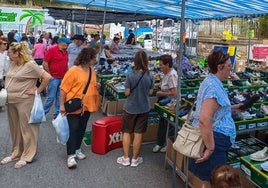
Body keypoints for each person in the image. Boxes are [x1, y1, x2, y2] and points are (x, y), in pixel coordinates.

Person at [188, 48, 243, 188]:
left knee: (209, 181)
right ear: (220, 67)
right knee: (215, 182)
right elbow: (204, 119)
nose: (231, 68)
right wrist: (211, 148)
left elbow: (213, 109)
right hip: (214, 141)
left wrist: (232, 107)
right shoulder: (213, 87)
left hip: (215, 138)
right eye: (229, 65)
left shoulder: (212, 81)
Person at [0, 42, 51, 169]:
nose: (8, 54)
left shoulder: (30, 64)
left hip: (25, 101)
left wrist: (37, 90)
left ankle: (27, 155)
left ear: (17, 53)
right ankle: (16, 153)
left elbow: (47, 77)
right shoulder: (13, 63)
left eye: (10, 52)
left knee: (27, 128)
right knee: (15, 128)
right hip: (11, 101)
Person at [60, 47, 100, 168]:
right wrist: (62, 105)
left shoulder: (92, 71)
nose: (95, 60)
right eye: (94, 58)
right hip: (74, 105)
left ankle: (77, 149)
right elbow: (63, 88)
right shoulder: (73, 71)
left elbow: (91, 85)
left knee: (82, 127)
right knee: (73, 128)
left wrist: (97, 86)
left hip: (87, 105)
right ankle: (70, 155)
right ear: (88, 58)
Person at [117, 50, 154, 167]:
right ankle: (135, 159)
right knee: (139, 133)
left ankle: (126, 158)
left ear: (135, 60)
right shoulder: (150, 75)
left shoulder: (130, 75)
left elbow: (127, 93)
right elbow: (150, 91)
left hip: (130, 108)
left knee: (127, 132)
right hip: (144, 107)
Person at [153, 54, 178, 153]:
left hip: (169, 102)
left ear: (167, 64)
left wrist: (161, 93)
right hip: (164, 101)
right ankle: (160, 142)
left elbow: (174, 92)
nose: (160, 66)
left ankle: (166, 145)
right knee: (162, 124)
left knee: (167, 125)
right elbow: (166, 85)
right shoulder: (166, 73)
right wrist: (158, 85)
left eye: (161, 65)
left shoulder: (172, 75)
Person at [42, 37, 71, 119]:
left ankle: (57, 115)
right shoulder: (52, 50)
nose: (68, 45)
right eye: (66, 44)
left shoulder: (66, 52)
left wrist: (67, 75)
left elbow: (65, 64)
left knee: (60, 97)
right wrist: (49, 75)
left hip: (62, 78)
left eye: (68, 44)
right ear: (60, 43)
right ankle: (43, 114)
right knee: (51, 97)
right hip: (54, 77)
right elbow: (45, 63)